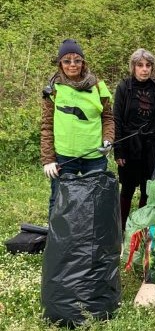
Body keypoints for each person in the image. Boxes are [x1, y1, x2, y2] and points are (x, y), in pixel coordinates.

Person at [41, 38, 114, 217]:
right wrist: (48, 159)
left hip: (95, 155)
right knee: (60, 201)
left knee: (96, 200)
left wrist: (108, 139)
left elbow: (108, 118)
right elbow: (46, 125)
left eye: (77, 60)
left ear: (83, 62)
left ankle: (93, 242)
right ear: (60, 64)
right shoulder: (53, 89)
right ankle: (57, 243)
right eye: (67, 61)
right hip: (65, 157)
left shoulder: (98, 86)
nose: (72, 65)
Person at [113, 48, 155, 229]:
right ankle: (120, 229)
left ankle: (139, 228)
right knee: (128, 189)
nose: (144, 69)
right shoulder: (124, 87)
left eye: (148, 65)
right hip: (130, 145)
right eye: (140, 65)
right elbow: (117, 120)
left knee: (148, 189)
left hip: (153, 145)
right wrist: (119, 150)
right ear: (133, 67)